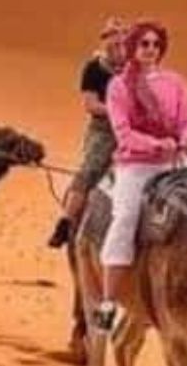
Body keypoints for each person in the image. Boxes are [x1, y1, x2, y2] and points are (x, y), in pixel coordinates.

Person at [93, 20, 187, 335]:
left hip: (177, 161)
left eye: (155, 44)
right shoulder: (119, 86)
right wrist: (155, 144)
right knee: (124, 218)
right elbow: (123, 133)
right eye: (143, 44)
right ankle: (108, 302)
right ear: (133, 47)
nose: (150, 50)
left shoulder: (175, 82)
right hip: (136, 165)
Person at [47, 17, 128, 248]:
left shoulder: (133, 69)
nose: (118, 48)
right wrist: (118, 113)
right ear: (105, 43)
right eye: (113, 43)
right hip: (104, 130)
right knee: (90, 169)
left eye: (122, 43)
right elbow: (91, 104)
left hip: (132, 129)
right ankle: (66, 220)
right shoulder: (94, 69)